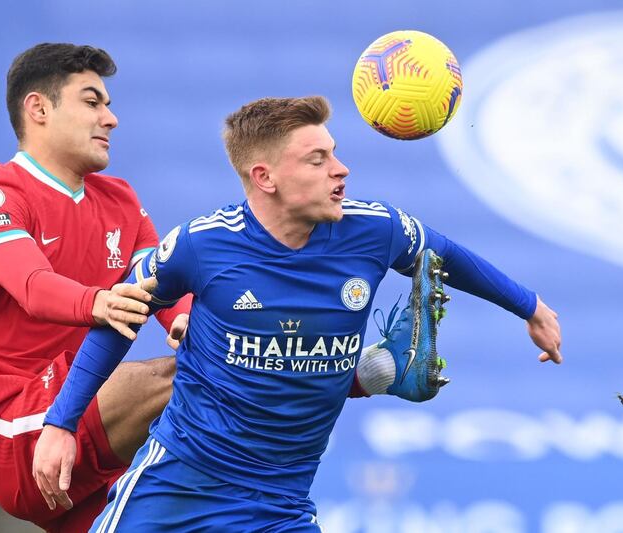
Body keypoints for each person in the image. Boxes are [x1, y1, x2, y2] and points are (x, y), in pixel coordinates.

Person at [33, 95, 562, 532]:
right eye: (318, 160)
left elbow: (446, 255)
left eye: (334, 153)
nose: (341, 169)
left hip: (279, 505)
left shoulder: (374, 231)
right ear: (265, 177)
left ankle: (374, 369)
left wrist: (530, 307)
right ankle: (376, 370)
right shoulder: (202, 244)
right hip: (178, 485)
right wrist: (61, 423)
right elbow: (118, 320)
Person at [0, 43, 192, 532]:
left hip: (81, 419)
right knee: (183, 376)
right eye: (93, 102)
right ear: (38, 108)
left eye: (109, 105)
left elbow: (162, 283)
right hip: (12, 425)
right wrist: (98, 301)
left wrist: (183, 317)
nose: (111, 119)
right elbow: (32, 285)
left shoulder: (119, 200)